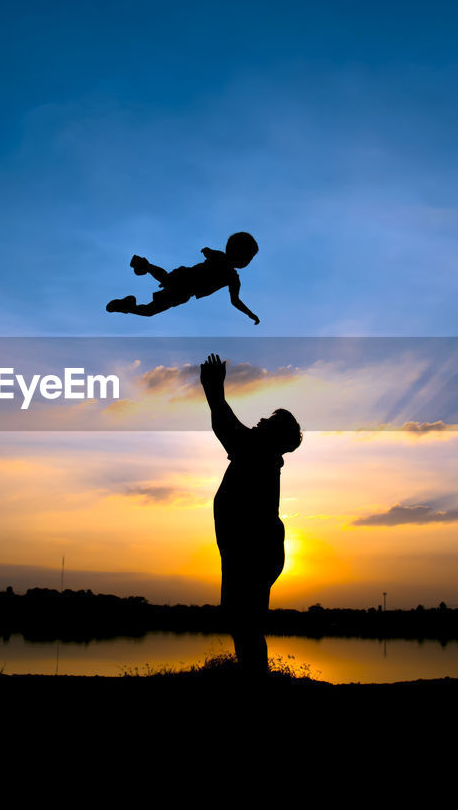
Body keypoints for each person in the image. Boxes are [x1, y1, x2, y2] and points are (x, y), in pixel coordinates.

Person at [199, 352, 302, 673]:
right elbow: (227, 423)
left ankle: (255, 680)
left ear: (275, 436)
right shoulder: (260, 453)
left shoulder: (257, 451)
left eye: (268, 422)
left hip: (251, 549)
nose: (259, 421)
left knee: (244, 620)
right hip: (252, 547)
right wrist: (213, 390)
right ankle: (254, 677)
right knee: (243, 620)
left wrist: (214, 388)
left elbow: (223, 420)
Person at [106, 231, 261, 324]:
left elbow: (209, 252)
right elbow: (235, 301)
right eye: (250, 258)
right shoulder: (232, 278)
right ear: (244, 258)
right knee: (149, 310)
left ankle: (145, 267)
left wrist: (207, 251)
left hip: (184, 277)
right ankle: (128, 306)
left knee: (166, 279)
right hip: (186, 290)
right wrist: (249, 314)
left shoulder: (221, 258)